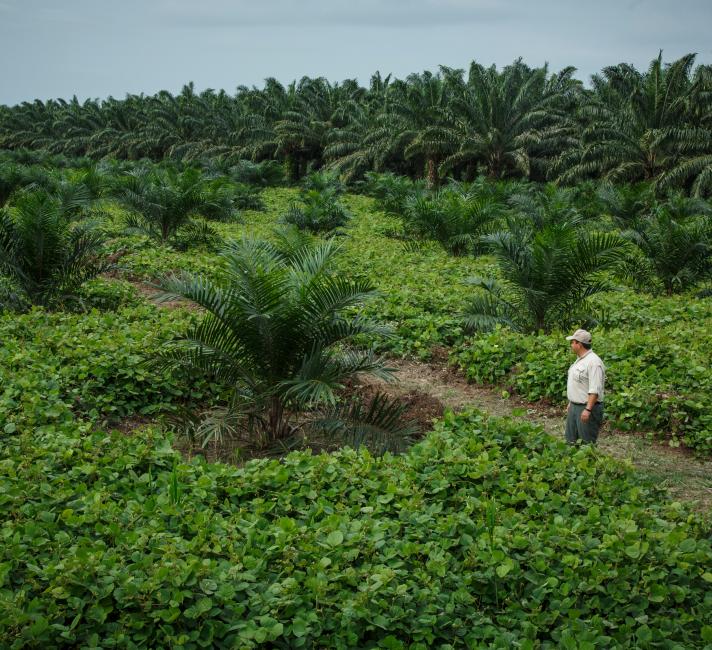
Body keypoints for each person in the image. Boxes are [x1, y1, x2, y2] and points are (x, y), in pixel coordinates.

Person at [564, 329, 605, 444]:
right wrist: (571, 403)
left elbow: (595, 389)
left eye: (573, 342)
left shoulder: (594, 362)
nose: (571, 345)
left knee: (586, 444)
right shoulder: (580, 360)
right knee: (570, 441)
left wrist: (588, 409)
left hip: (587, 408)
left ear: (579, 344)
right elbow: (579, 384)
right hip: (575, 406)